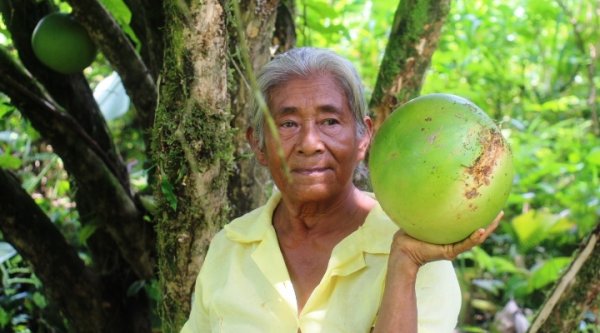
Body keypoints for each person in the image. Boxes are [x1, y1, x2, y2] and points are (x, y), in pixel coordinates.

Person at [181, 47, 502, 333]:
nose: (309, 144)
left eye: (330, 122)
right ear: (258, 145)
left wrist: (404, 263)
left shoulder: (419, 255)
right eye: (288, 124)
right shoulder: (230, 247)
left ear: (363, 138)